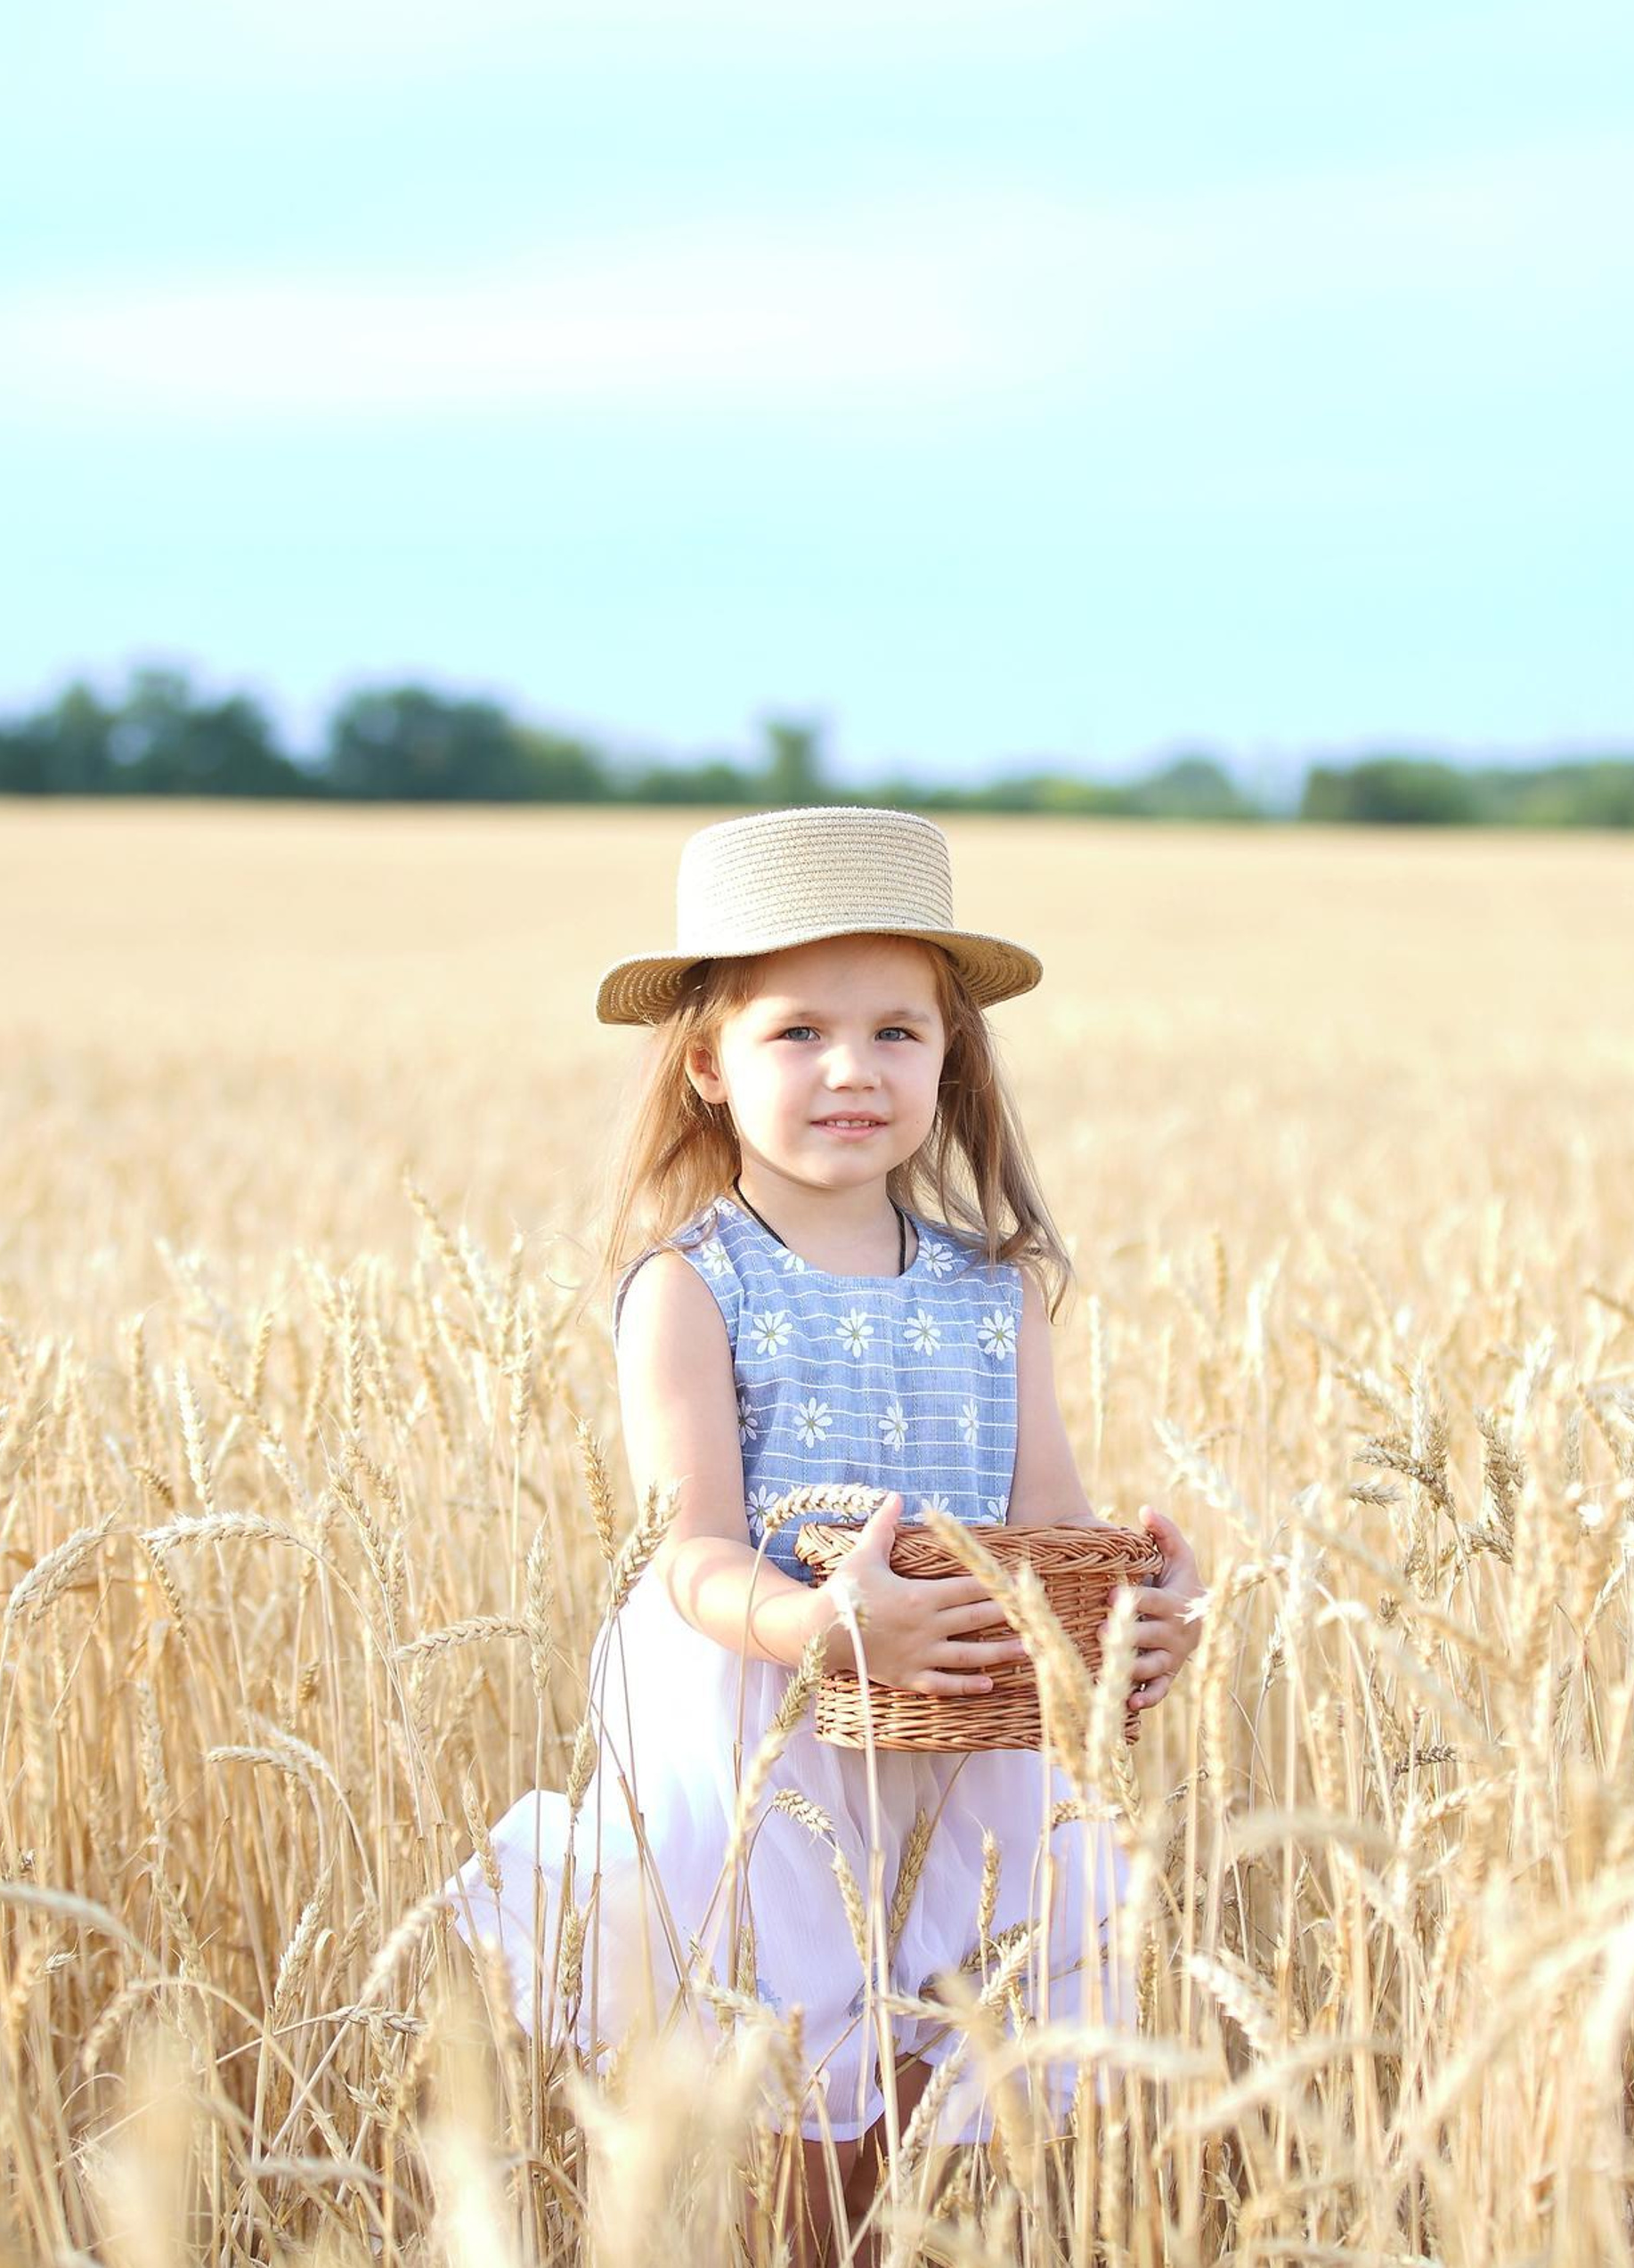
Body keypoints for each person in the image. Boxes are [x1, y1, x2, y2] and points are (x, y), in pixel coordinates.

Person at [443, 804, 1204, 2262]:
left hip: (963, 1732)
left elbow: (1047, 1519)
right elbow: (692, 1555)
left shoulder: (1001, 1292)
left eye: (897, 1032)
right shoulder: (691, 1283)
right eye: (797, 1032)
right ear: (707, 1064)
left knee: (942, 2053)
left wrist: (1134, 1605)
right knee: (803, 2081)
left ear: (951, 1056)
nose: (852, 1068)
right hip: (769, 1731)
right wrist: (818, 1625)